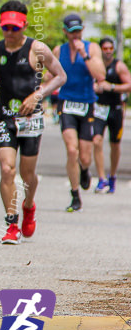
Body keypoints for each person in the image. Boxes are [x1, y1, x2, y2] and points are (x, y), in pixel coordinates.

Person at [0, 0, 66, 244]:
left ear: (24, 25)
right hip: (4, 118)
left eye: (15, 28)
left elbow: (61, 76)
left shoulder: (37, 49)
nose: (9, 33)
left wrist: (38, 95)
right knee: (7, 168)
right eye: (5, 28)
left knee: (27, 175)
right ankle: (11, 223)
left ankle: (29, 206)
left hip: (30, 118)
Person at [49, 13, 106, 212]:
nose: (75, 36)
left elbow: (100, 75)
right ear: (65, 32)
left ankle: (84, 170)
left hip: (87, 104)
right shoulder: (59, 50)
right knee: (71, 150)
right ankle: (75, 195)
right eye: (71, 32)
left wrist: (85, 55)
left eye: (78, 31)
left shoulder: (92, 48)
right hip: (66, 104)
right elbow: (50, 75)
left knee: (85, 156)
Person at [92, 37, 130, 193]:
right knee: (96, 141)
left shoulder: (119, 66)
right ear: (100, 49)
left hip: (115, 109)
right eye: (105, 48)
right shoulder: (94, 66)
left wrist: (112, 86)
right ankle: (101, 178)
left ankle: (112, 175)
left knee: (115, 145)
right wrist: (93, 86)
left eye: (110, 48)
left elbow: (129, 85)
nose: (108, 51)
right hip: (99, 108)